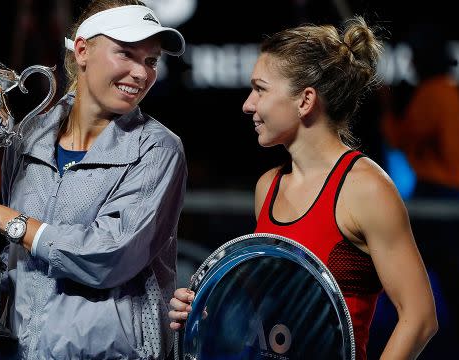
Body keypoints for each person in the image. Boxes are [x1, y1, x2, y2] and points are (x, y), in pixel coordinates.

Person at [169, 17, 438, 359]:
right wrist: (205, 307)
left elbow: (420, 318)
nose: (248, 104)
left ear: (305, 100)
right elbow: (269, 313)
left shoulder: (366, 189)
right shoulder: (267, 188)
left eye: (260, 89)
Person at [0, 0, 188, 358]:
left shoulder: (158, 148)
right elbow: (17, 260)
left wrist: (2, 219)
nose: (141, 73)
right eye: (126, 54)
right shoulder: (28, 135)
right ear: (82, 50)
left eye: (150, 60)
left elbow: (110, 255)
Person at [381, 24, 459, 359]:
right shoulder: (448, 90)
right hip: (444, 192)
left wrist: (385, 110)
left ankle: (395, 334)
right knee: (441, 270)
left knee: (397, 266)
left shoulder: (433, 93)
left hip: (435, 194)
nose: (410, 62)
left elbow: (400, 137)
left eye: (415, 56)